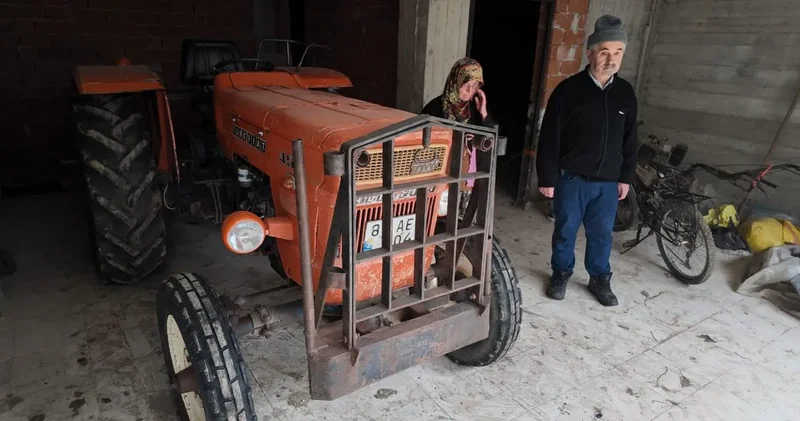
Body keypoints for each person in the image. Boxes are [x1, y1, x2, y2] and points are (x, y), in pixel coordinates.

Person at [535, 15, 638, 307]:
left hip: (607, 184)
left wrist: (625, 177)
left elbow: (631, 139)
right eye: (605, 51)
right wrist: (547, 178)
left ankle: (599, 279)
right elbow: (549, 137)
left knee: (602, 235)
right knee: (565, 231)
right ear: (590, 53)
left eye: (618, 52)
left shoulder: (625, 94)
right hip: (572, 179)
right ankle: (561, 273)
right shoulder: (569, 91)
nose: (611, 58)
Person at [422, 58, 497, 215]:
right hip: (440, 179)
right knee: (435, 219)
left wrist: (484, 113)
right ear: (455, 82)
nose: (470, 91)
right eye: (466, 85)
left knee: (461, 222)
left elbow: (490, 141)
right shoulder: (434, 108)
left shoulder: (476, 110)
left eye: (475, 86)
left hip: (466, 180)